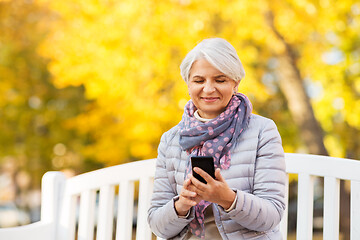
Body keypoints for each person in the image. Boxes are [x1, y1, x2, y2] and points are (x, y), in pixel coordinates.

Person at [147, 38, 286, 239]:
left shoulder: (262, 131)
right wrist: (182, 205)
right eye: (199, 80)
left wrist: (227, 199)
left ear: (235, 83)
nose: (209, 89)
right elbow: (158, 226)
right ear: (188, 83)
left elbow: (271, 216)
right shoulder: (171, 140)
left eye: (220, 80)